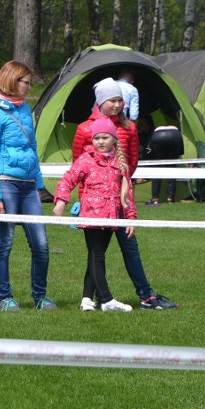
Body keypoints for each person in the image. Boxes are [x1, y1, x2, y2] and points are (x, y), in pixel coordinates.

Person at [72, 77, 178, 310]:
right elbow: (79, 167)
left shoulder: (129, 128)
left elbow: (131, 162)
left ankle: (146, 296)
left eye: (120, 100)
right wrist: (84, 200)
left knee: (129, 247)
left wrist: (122, 191)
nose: (118, 105)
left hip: (120, 201)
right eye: (113, 100)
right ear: (101, 102)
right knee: (97, 250)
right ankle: (94, 298)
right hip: (94, 203)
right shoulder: (84, 129)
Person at [0, 61, 56, 312]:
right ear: (11, 80)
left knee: (41, 244)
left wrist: (40, 184)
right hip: (5, 184)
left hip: (29, 185)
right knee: (5, 242)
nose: (29, 87)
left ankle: (40, 296)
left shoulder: (25, 109)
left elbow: (32, 149)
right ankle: (4, 298)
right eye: (26, 82)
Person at [54, 118, 136, 312]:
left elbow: (128, 194)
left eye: (105, 137)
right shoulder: (86, 160)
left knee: (94, 256)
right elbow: (68, 179)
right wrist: (60, 202)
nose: (100, 141)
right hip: (91, 216)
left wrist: (131, 218)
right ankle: (106, 300)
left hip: (112, 217)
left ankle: (86, 299)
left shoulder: (120, 163)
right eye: (96, 138)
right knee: (97, 256)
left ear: (113, 139)